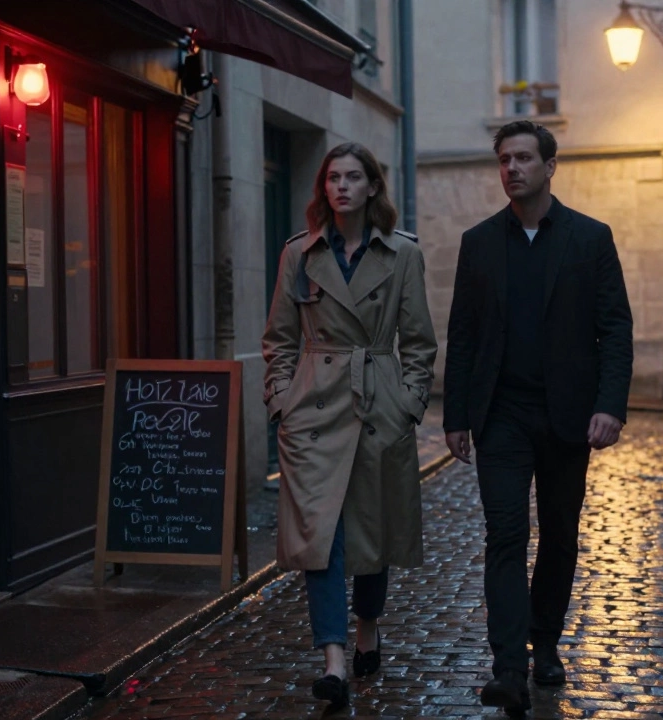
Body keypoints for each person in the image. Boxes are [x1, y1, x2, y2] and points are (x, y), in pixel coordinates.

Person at [443, 120, 633, 715]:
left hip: (566, 416)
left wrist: (609, 405)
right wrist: (455, 415)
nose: (512, 169)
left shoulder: (589, 239)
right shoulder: (478, 243)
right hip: (499, 414)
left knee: (558, 533)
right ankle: (508, 667)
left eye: (523, 158)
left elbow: (616, 329)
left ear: (550, 166)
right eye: (504, 160)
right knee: (504, 533)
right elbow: (464, 334)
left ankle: (545, 641)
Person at [262, 142, 437, 709]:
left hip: (378, 403)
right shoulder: (298, 254)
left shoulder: (402, 255)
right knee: (321, 535)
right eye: (333, 177)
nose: (341, 186)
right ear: (324, 188)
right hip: (314, 409)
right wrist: (280, 400)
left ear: (371, 188)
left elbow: (418, 341)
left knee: (372, 531)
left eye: (352, 177)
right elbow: (279, 340)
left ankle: (367, 625)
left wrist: (408, 402)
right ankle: (333, 658)